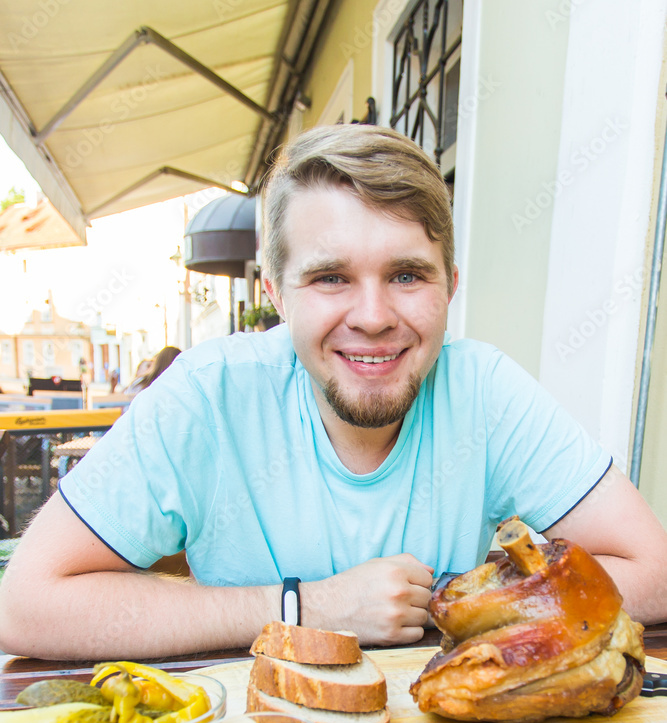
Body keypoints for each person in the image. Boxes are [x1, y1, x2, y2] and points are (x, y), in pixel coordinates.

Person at [1, 125, 666, 661]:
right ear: (275, 296)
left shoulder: (482, 391)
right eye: (330, 278)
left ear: (449, 287)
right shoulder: (207, 397)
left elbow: (652, 571)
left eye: (406, 275)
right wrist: (302, 609)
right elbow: (25, 605)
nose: (373, 315)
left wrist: (461, 604)